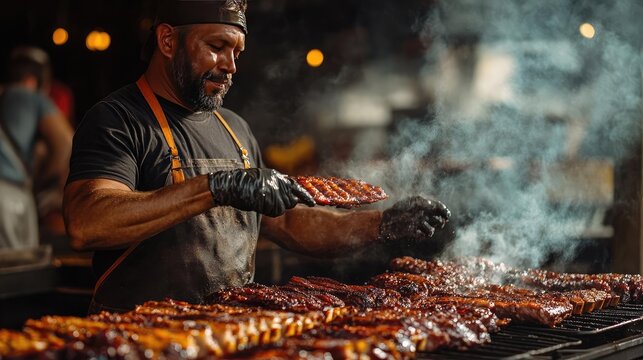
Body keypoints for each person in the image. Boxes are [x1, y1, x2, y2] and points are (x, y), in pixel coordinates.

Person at [63, 0, 451, 313]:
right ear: (167, 41)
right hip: (141, 340)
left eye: (236, 51)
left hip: (228, 336)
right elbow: (88, 221)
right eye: (216, 47)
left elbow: (289, 224)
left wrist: (380, 224)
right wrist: (216, 186)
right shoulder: (118, 119)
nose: (230, 66)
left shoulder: (235, 129)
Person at [0, 46, 73, 249]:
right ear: (34, 79)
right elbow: (66, 144)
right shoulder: (33, 98)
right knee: (16, 269)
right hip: (9, 197)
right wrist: (42, 179)